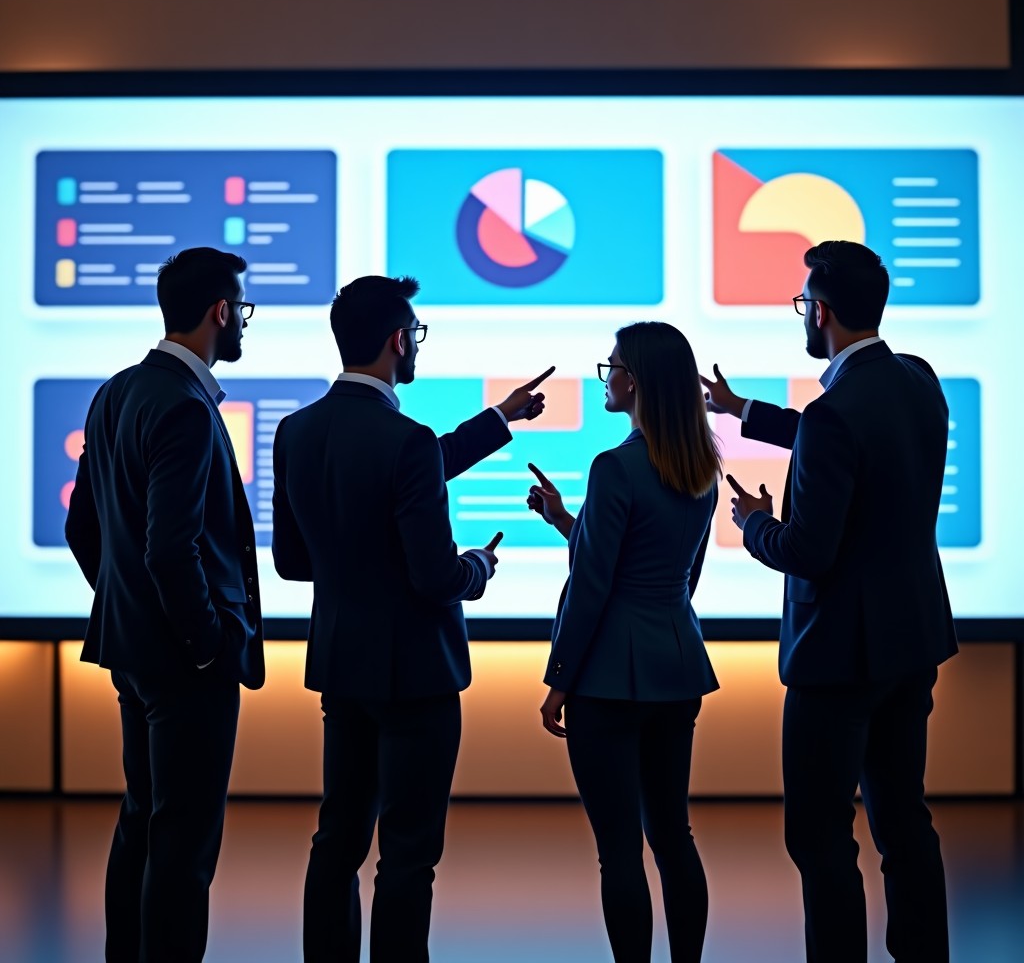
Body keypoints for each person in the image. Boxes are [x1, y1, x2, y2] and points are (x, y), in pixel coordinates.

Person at [271, 274, 553, 963]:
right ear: (400, 340)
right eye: (417, 334)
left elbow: (291, 561)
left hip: (341, 666)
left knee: (337, 839)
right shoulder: (407, 440)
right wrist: (478, 568)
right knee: (407, 854)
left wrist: (501, 418)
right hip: (417, 678)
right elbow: (435, 576)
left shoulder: (295, 431)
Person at [714, 240, 957, 963]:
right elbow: (855, 438)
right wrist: (743, 412)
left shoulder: (832, 415)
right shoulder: (918, 381)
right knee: (903, 821)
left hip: (836, 661)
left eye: (802, 305)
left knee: (819, 838)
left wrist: (756, 523)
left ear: (819, 311)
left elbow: (808, 553)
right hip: (911, 643)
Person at [64, 246, 265, 963]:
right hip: (187, 662)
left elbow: (80, 529)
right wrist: (207, 641)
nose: (243, 322)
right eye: (241, 309)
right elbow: (169, 549)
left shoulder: (115, 393)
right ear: (219, 311)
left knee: (144, 822)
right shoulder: (183, 407)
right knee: (183, 845)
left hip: (135, 653)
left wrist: (129, 610)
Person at [529, 321, 721, 963]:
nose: (605, 374)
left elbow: (593, 584)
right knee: (673, 836)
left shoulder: (613, 467)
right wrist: (563, 518)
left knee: (619, 850)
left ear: (631, 381)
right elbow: (671, 577)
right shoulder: (701, 470)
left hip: (608, 679)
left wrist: (559, 678)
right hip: (676, 666)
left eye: (610, 365)